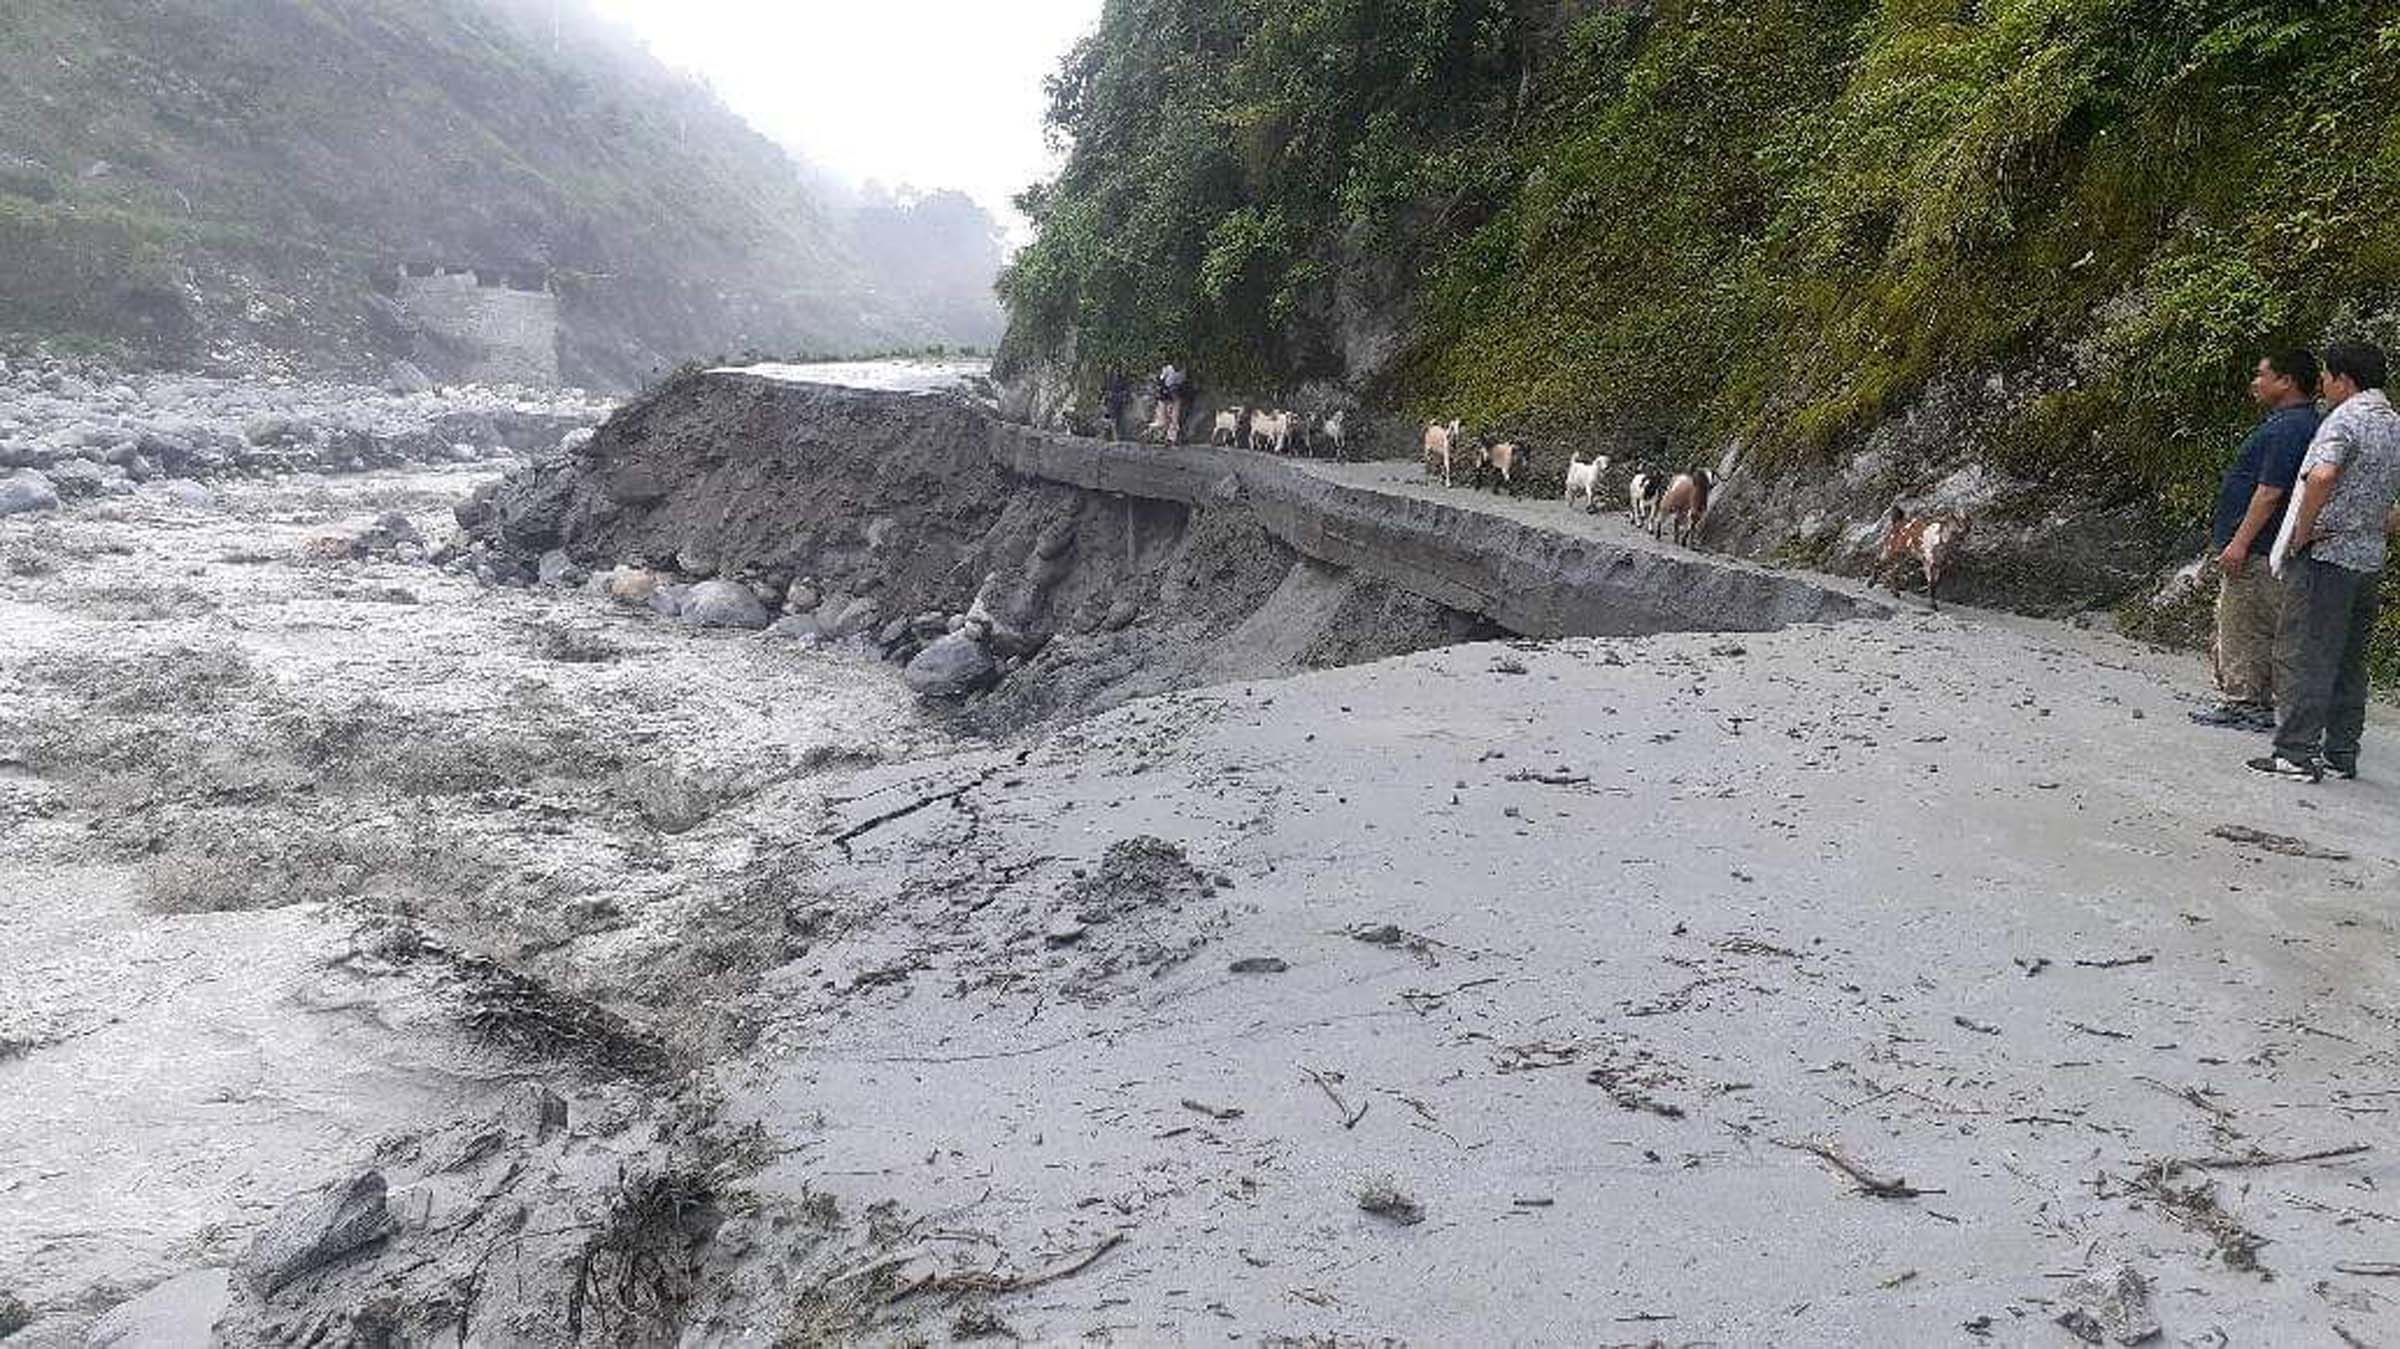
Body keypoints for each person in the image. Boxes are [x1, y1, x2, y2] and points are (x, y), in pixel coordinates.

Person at [2249, 339, 2400, 783]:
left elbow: (2323, 474)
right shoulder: (2394, 424)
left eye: (2327, 378)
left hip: (2327, 556)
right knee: (2351, 660)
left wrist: (2301, 530)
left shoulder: (2345, 420)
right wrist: (2374, 524)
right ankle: (2340, 750)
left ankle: (2295, 752)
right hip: (2368, 557)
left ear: (2344, 379)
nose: (2323, 385)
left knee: (2309, 652)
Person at [2191, 348, 2319, 730]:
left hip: (2261, 548)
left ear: (2287, 381)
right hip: (2272, 546)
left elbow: (2269, 492)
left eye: (2261, 374)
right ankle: (2255, 700)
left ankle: (2246, 702)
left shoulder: (2288, 428)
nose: (2255, 382)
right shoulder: (2300, 423)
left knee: (2245, 623)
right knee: (2258, 624)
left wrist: (2239, 542)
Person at [1155, 362, 1189, 445]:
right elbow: (1161, 380)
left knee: (1175, 418)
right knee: (1163, 417)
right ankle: (1161, 435)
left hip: (1176, 395)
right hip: (1165, 394)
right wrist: (1164, 390)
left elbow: (1183, 383)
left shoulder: (1183, 370)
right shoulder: (1167, 368)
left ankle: (1171, 438)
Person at [1100, 370, 1131, 441]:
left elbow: (1125, 387)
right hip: (1112, 399)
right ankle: (1111, 436)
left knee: (1115, 419)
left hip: (1116, 399)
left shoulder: (1119, 375)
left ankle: (1115, 436)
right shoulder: (1109, 374)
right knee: (1110, 418)